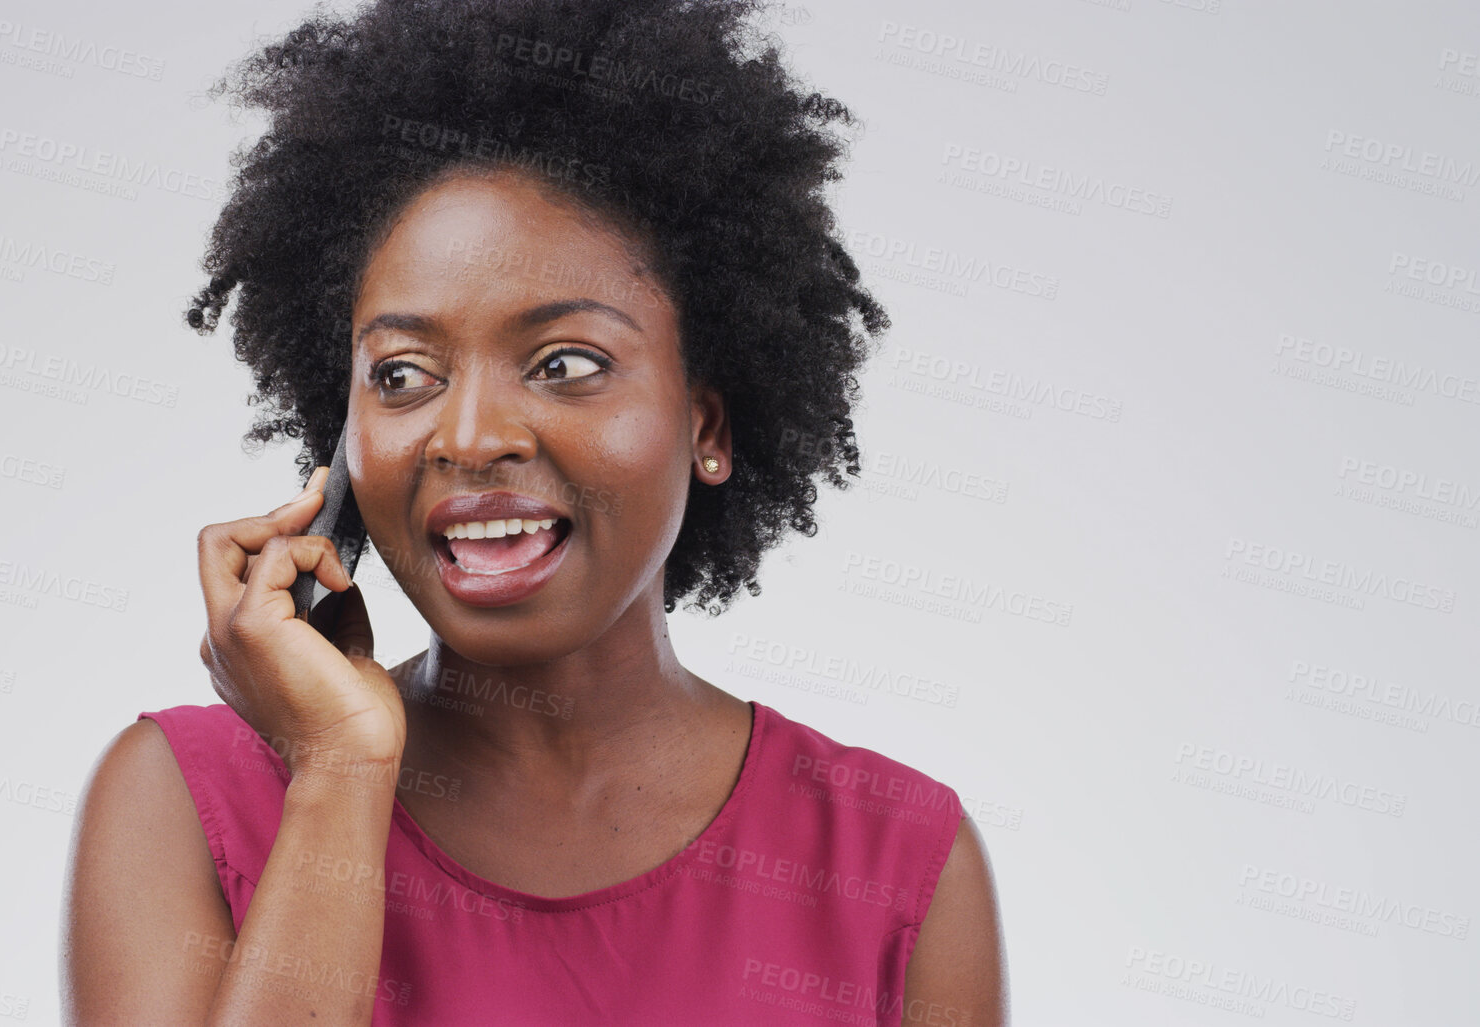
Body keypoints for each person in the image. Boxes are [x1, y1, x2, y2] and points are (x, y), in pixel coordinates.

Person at [63, 0, 1007, 1022]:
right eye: (404, 373)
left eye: (564, 364)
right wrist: (337, 773)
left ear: (709, 424)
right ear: (339, 442)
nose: (469, 436)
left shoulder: (896, 861)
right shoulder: (184, 804)